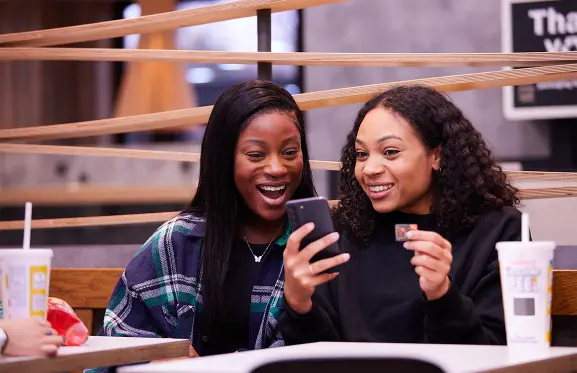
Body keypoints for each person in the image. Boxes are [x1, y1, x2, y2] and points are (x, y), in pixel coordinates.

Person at [89, 80, 316, 370]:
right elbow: (109, 352)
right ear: (224, 160)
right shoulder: (178, 244)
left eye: (289, 152)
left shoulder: (317, 244)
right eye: (256, 155)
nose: (276, 168)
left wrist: (300, 309)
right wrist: (152, 362)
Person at [281, 84, 521, 345]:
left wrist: (442, 294)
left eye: (390, 152)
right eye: (361, 154)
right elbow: (318, 354)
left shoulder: (498, 230)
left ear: (436, 156)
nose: (370, 168)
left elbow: (496, 350)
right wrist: (298, 303)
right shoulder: (345, 230)